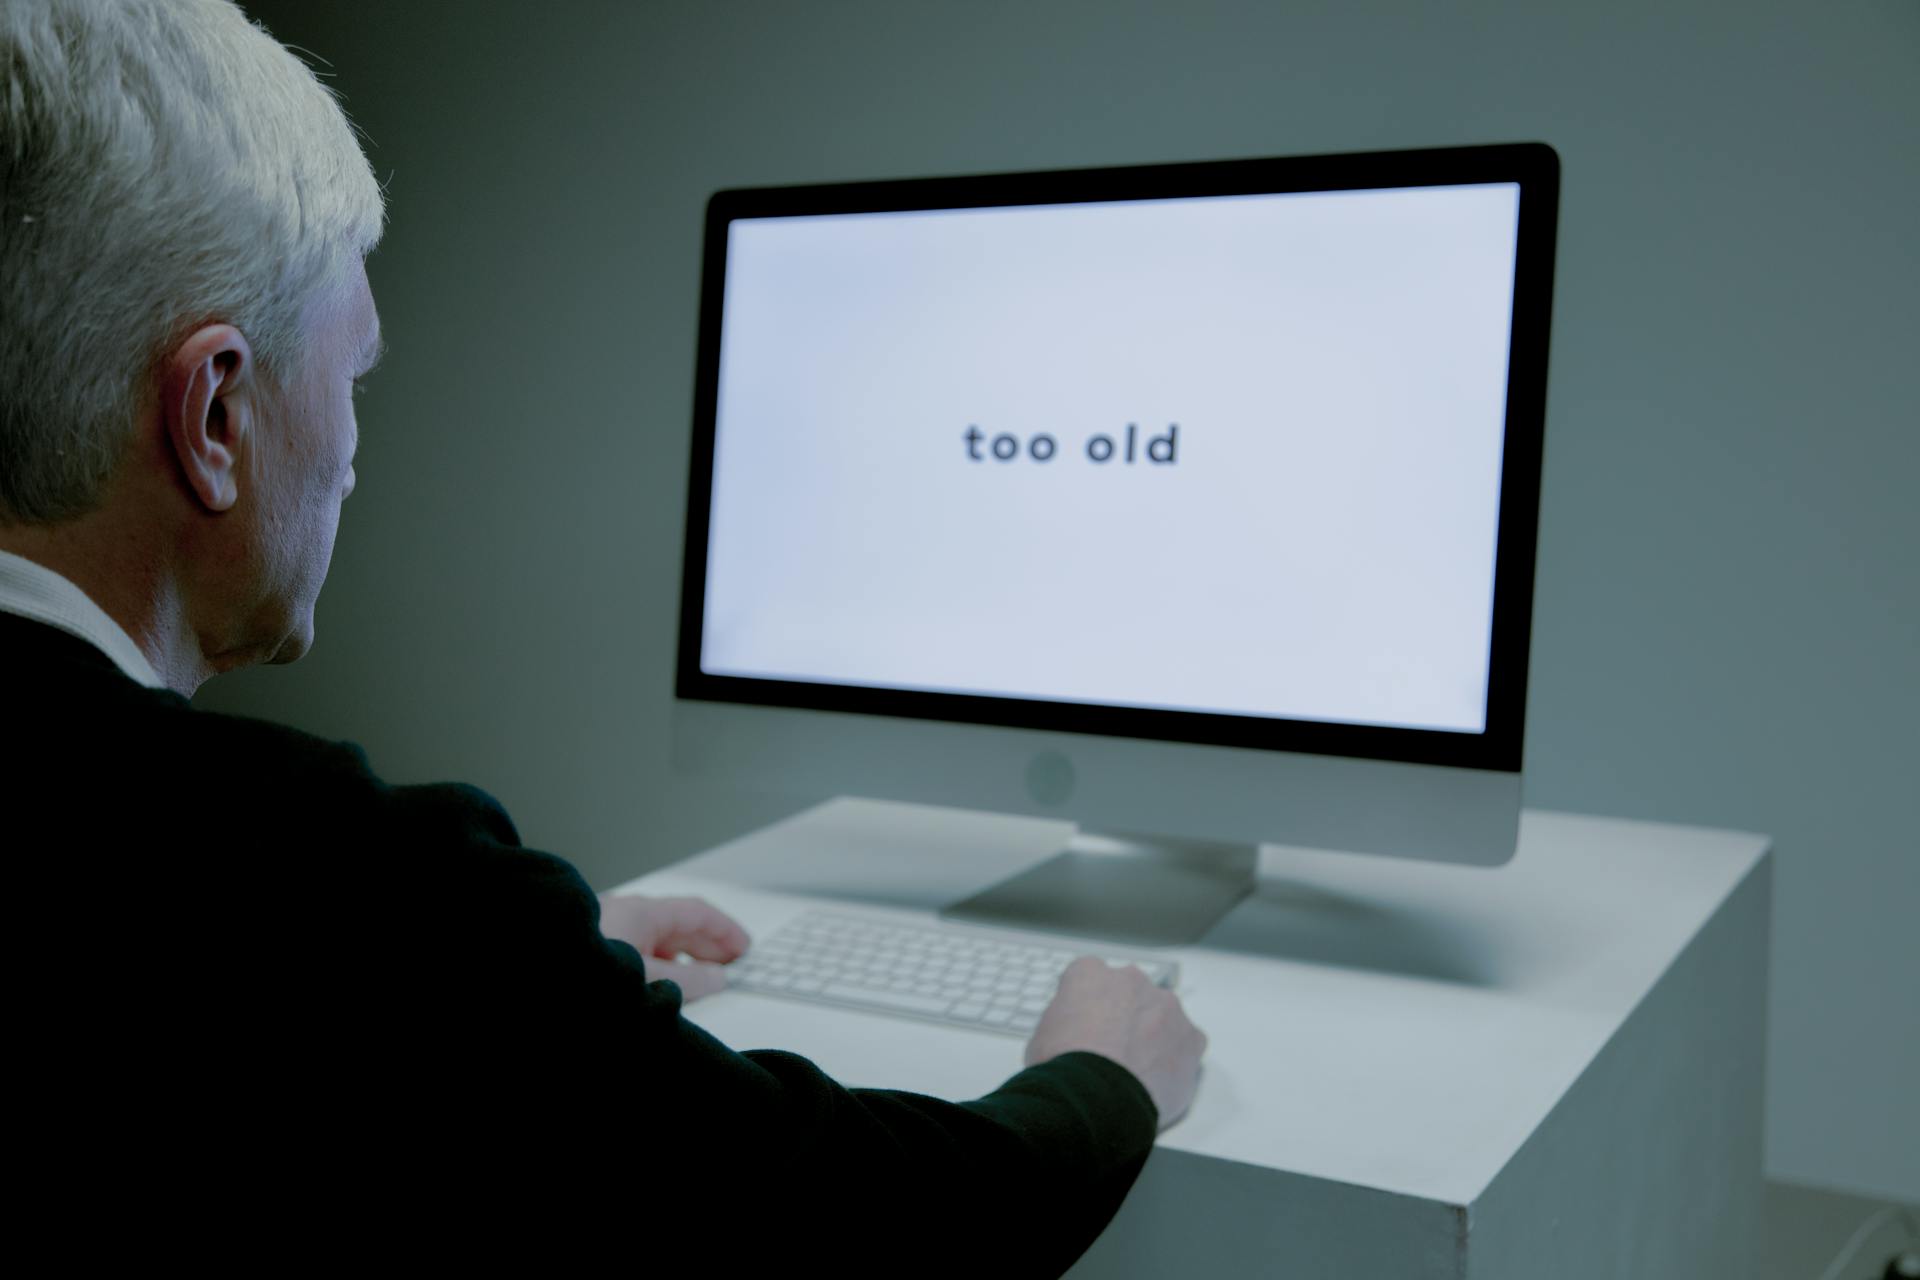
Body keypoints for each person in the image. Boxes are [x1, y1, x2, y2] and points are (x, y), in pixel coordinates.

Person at [0, 0, 1207, 1267]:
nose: (354, 458)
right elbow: (865, 1225)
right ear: (213, 416)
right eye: (349, 379)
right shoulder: (343, 885)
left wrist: (513, 1000)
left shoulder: (352, 931)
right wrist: (1102, 1073)